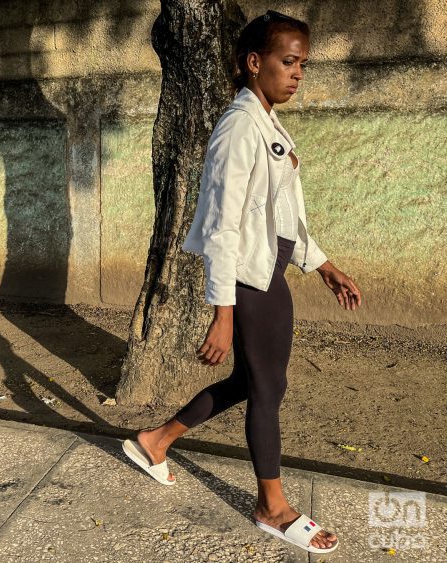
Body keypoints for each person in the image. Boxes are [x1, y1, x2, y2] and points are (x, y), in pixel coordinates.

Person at [122, 10, 362, 555]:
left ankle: (155, 441)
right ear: (255, 63)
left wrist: (324, 267)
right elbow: (221, 225)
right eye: (288, 61)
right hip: (250, 278)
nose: (298, 73)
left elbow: (282, 216)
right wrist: (222, 311)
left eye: (302, 63)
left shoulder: (270, 124)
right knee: (266, 387)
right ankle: (271, 507)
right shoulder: (238, 126)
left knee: (257, 381)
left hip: (270, 269)